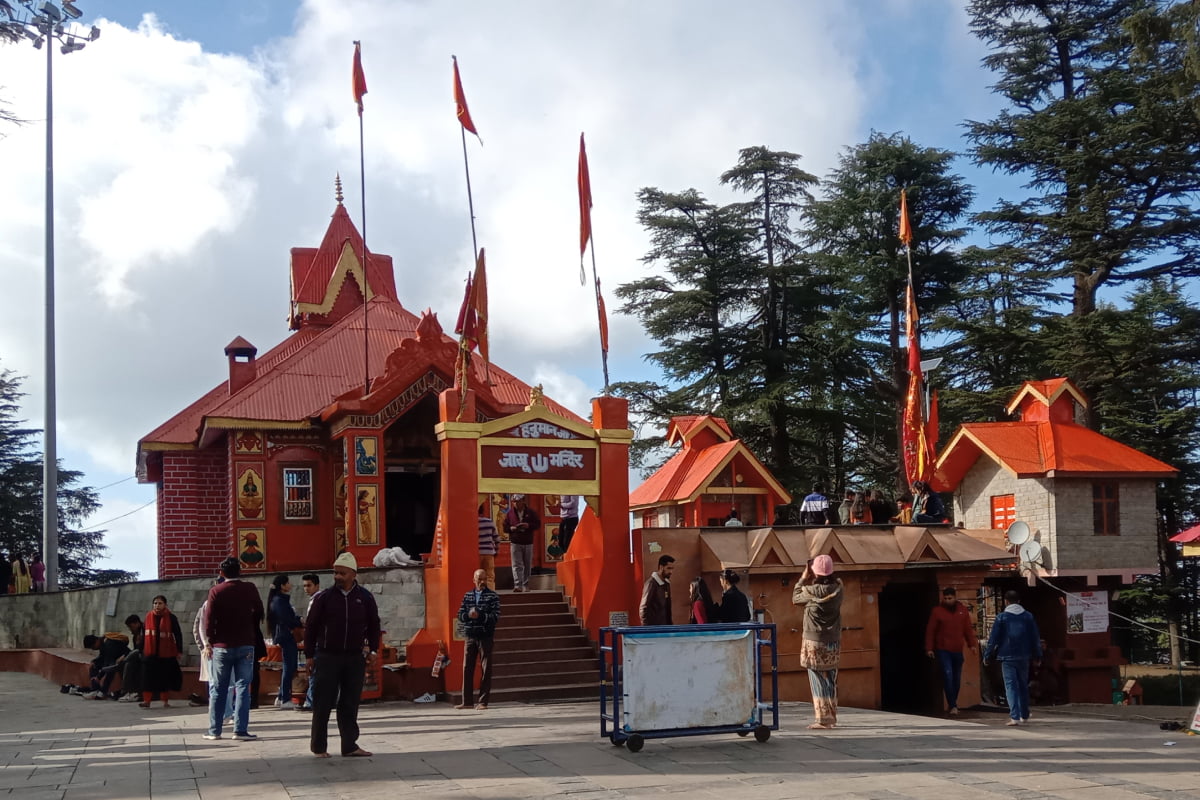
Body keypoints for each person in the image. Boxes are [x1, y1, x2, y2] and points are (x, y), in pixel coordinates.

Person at [304, 552, 381, 758]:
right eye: (335, 572)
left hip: (354, 657)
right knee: (322, 703)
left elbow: (374, 625)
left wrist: (373, 649)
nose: (338, 576)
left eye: (342, 573)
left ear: (353, 574)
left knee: (350, 702)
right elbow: (310, 628)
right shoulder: (323, 598)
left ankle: (350, 745)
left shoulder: (364, 597)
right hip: (327, 657)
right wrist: (309, 655)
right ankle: (318, 747)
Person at [203, 556, 265, 741]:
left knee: (219, 689)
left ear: (221, 573)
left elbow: (208, 619)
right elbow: (259, 612)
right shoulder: (250, 588)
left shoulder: (216, 591)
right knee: (243, 687)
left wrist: (209, 641)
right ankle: (240, 730)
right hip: (246, 644)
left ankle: (215, 730)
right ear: (240, 571)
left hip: (222, 646)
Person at [792, 554, 843, 729]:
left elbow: (795, 597)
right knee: (831, 678)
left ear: (815, 573)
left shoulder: (810, 592)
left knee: (817, 679)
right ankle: (832, 717)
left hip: (814, 641)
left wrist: (803, 578)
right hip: (833, 641)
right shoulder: (839, 589)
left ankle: (822, 719)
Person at [983, 589, 1042, 726]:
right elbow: (1035, 638)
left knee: (1011, 686)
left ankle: (1014, 716)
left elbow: (993, 639)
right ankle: (1025, 714)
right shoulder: (1028, 617)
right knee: (1023, 685)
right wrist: (1037, 655)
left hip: (1006, 656)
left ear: (1006, 601)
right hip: (1024, 656)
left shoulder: (1002, 617)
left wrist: (987, 655)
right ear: (1019, 601)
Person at [925, 587, 978, 716]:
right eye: (946, 598)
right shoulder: (937, 612)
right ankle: (953, 704)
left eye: (950, 598)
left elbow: (968, 629)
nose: (948, 601)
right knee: (948, 675)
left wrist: (972, 645)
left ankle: (952, 702)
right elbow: (931, 631)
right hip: (943, 649)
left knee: (956, 678)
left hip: (957, 649)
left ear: (955, 598)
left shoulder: (962, 611)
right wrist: (929, 648)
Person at [455, 568, 501, 711]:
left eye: (483, 579)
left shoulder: (492, 596)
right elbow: (461, 614)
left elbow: (495, 617)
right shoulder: (467, 596)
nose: (481, 582)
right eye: (479, 579)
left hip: (485, 635)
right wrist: (469, 615)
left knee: (485, 668)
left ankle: (483, 701)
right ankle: (467, 701)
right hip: (470, 635)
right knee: (467, 667)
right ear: (473, 580)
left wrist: (480, 615)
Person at [141, 595, 183, 708]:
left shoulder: (171, 617)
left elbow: (178, 635)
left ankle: (165, 701)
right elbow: (143, 635)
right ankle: (147, 701)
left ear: (165, 605)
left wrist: (179, 650)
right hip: (150, 653)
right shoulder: (148, 617)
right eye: (155, 603)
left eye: (160, 603)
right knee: (148, 679)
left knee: (164, 678)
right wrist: (141, 651)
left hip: (166, 653)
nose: (157, 605)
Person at [268, 574, 303, 710]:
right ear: (282, 586)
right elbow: (286, 619)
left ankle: (282, 695)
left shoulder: (280, 600)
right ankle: (285, 698)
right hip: (286, 635)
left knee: (289, 666)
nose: (290, 585)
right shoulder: (279, 601)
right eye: (288, 583)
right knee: (289, 666)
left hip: (285, 634)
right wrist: (298, 621)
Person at [503, 494, 541, 593]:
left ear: (523, 501)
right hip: (515, 541)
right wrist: (511, 528)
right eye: (514, 501)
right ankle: (517, 585)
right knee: (516, 564)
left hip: (528, 542)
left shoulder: (531, 512)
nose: (515, 503)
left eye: (517, 501)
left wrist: (528, 525)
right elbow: (505, 527)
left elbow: (537, 524)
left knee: (527, 564)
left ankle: (526, 584)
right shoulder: (510, 513)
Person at [297, 573, 321, 712]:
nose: (306, 588)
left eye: (309, 585)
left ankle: (310, 701)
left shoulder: (317, 600)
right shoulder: (317, 599)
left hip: (317, 641)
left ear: (317, 585)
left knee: (313, 671)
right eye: (305, 586)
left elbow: (313, 625)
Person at [82, 632, 131, 699]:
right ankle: (95, 690)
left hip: (123, 660)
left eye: (93, 647)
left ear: (97, 641)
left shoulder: (109, 644)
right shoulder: (103, 644)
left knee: (109, 670)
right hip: (113, 660)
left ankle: (103, 692)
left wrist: (99, 677)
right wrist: (94, 662)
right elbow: (102, 657)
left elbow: (108, 663)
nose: (94, 649)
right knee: (93, 666)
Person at [638, 554, 675, 625]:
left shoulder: (666, 584)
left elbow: (667, 609)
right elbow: (643, 608)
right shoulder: (651, 584)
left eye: (672, 569)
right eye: (669, 568)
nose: (671, 572)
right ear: (661, 567)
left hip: (665, 628)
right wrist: (647, 629)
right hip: (654, 629)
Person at [118, 614, 146, 702]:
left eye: (131, 627)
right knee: (124, 664)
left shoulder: (145, 632)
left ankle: (127, 690)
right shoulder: (135, 637)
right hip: (137, 658)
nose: (130, 630)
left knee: (128, 664)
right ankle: (130, 691)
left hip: (146, 657)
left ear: (137, 623)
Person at [477, 503, 500, 591]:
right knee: (490, 575)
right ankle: (490, 593)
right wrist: (496, 551)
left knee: (478, 575)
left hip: (477, 553)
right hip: (489, 552)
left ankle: (479, 592)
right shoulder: (489, 522)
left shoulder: (471, 522)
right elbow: (497, 539)